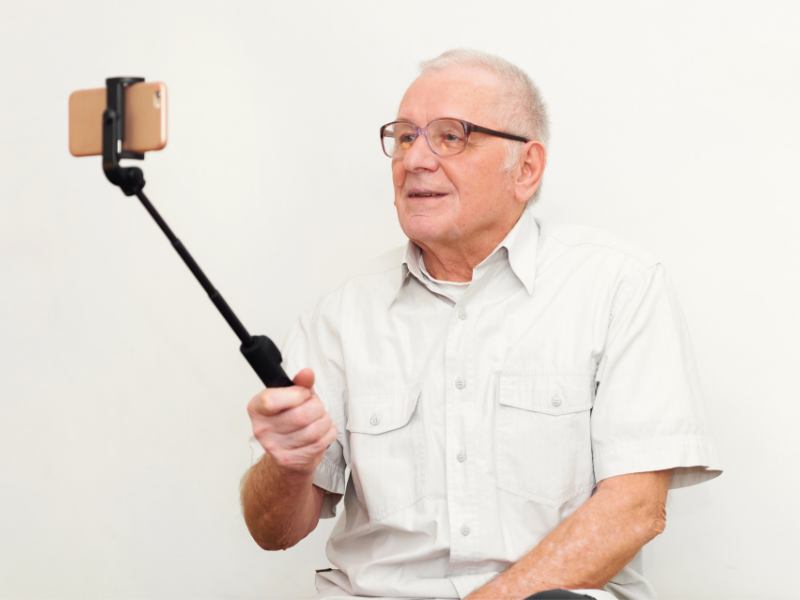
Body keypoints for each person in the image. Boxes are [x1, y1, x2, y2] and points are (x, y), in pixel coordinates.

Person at [240, 49, 722, 600]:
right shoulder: (338, 316)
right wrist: (288, 466)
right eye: (404, 137)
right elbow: (274, 532)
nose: (415, 159)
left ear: (526, 169)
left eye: (450, 137)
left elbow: (634, 510)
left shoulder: (618, 286)